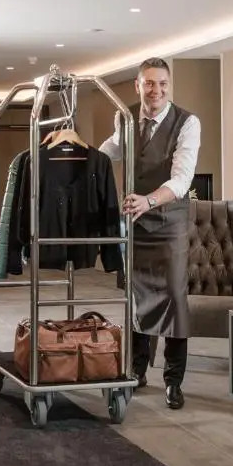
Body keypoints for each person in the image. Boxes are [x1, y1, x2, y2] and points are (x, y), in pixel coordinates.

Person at [99, 57, 200, 409]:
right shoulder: (124, 117)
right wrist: (83, 154)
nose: (156, 90)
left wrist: (149, 200)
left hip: (169, 224)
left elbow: (182, 179)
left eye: (162, 84)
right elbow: (113, 148)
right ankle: (137, 370)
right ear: (138, 86)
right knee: (136, 296)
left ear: (169, 86)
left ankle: (173, 380)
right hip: (135, 224)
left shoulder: (188, 123)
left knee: (174, 297)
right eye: (149, 83)